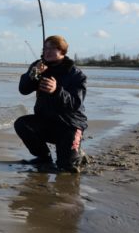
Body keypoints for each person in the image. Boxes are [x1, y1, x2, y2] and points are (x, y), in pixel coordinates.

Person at [14, 35, 87, 172]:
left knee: (66, 168)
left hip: (70, 125)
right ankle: (44, 157)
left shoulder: (75, 74)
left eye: (52, 48)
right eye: (45, 48)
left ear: (62, 51)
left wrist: (56, 90)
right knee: (22, 124)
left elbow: (75, 103)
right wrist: (33, 74)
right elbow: (23, 90)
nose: (47, 52)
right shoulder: (39, 66)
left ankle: (76, 154)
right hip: (46, 122)